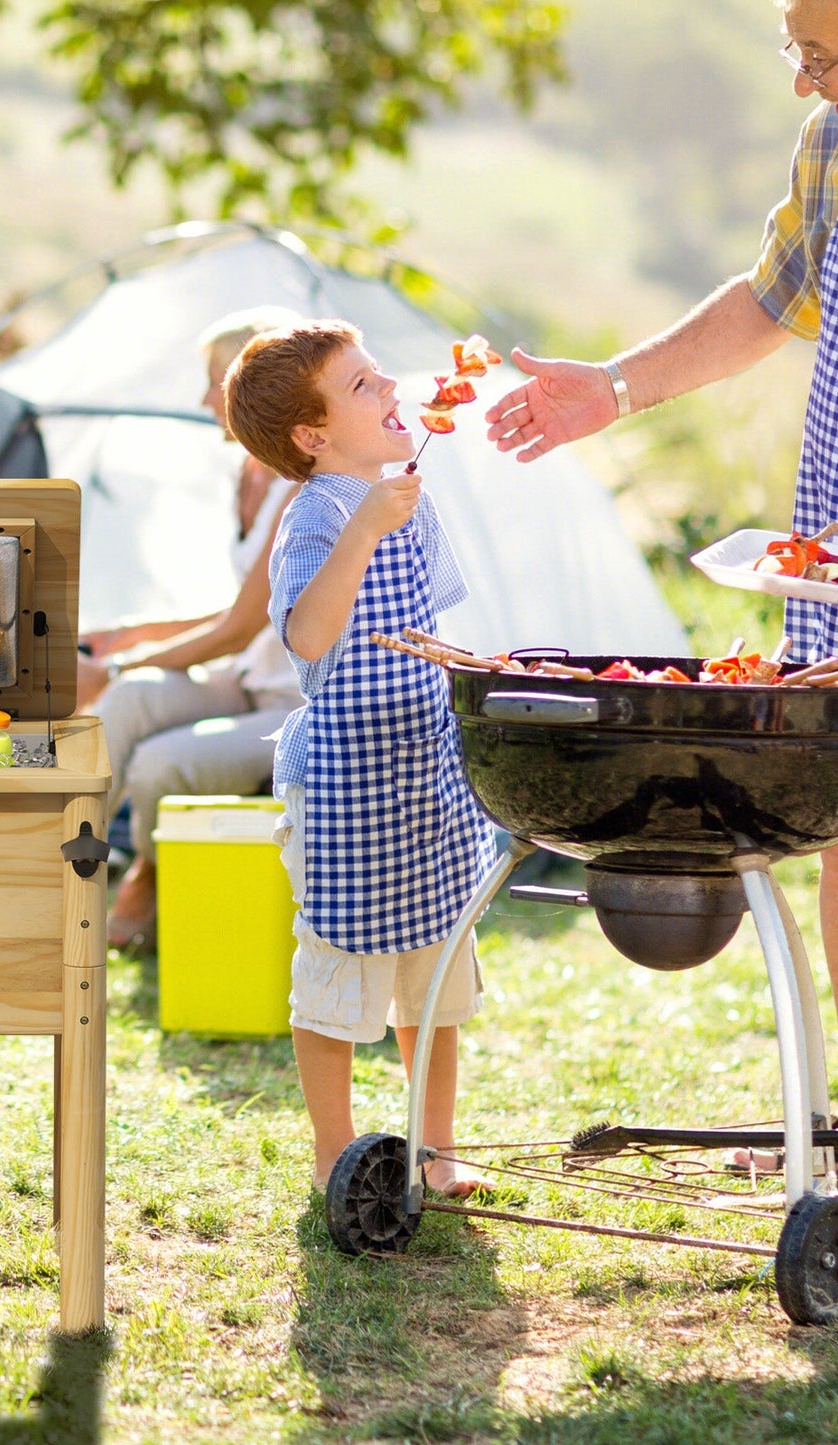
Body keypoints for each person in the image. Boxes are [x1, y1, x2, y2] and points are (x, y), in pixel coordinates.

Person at [483, 0, 838, 1166]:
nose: (802, 82)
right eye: (793, 51)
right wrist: (613, 388)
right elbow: (769, 297)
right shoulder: (829, 139)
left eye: (823, 55)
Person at [225, 319, 495, 1199]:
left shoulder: (400, 493)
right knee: (338, 973)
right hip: (347, 780)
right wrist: (361, 535)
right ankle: (334, 1151)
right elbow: (306, 634)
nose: (389, 394)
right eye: (362, 387)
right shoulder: (316, 516)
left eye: (382, 378)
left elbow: (420, 626)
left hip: (425, 768)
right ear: (312, 437)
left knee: (436, 972)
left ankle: (435, 1142)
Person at [88, 307, 305, 948]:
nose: (202, 397)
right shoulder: (249, 473)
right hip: (245, 682)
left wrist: (122, 660)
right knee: (123, 705)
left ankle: (149, 878)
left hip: (292, 705)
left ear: (251, 387)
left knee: (159, 763)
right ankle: (66, 875)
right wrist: (133, 636)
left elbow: (240, 628)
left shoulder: (298, 488)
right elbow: (242, 608)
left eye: (214, 379)